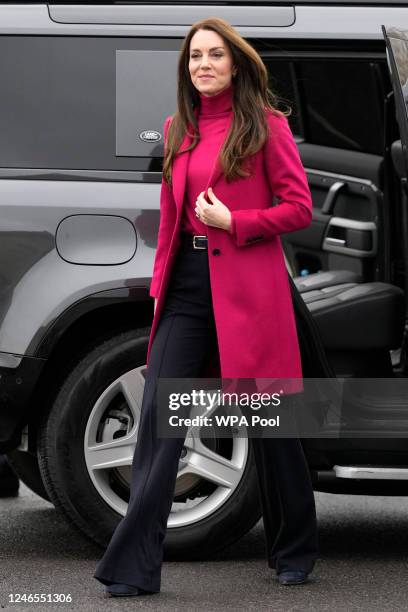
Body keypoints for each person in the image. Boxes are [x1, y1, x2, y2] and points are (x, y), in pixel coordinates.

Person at [94, 16, 319, 598]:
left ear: (236, 63)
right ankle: (133, 567)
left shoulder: (266, 126)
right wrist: (161, 291)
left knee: (271, 424)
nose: (204, 64)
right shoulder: (177, 130)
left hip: (249, 287)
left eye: (216, 55)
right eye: (195, 56)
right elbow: (170, 221)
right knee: (159, 426)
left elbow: (299, 210)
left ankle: (294, 549)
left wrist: (234, 221)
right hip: (188, 291)